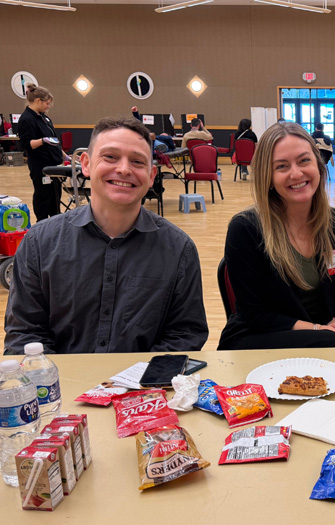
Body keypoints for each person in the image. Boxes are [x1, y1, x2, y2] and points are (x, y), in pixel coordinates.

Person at [4, 116, 209, 354]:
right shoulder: (39, 243)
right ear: (86, 164)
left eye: (137, 161)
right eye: (110, 157)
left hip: (142, 387)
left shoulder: (179, 249)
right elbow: (25, 336)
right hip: (61, 386)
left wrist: (135, 386)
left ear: (152, 175)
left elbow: (185, 335)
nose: (123, 169)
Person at [218, 122, 335, 350]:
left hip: (322, 336)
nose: (296, 173)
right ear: (267, 176)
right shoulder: (245, 229)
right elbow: (256, 316)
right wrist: (324, 333)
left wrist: (334, 326)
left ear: (319, 165)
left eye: (304, 160)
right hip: (257, 339)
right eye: (281, 166)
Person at [18, 84, 70, 221]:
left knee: (55, 195)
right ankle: (42, 222)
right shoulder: (26, 119)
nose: (49, 106)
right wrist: (43, 140)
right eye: (47, 103)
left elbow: (54, 141)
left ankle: (55, 220)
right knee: (43, 196)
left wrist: (67, 157)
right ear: (38, 101)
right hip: (40, 166)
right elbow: (27, 145)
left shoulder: (44, 118)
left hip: (54, 164)